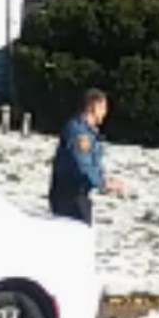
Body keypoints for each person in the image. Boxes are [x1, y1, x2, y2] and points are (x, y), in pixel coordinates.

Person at [48, 88, 123, 225]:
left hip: (79, 194)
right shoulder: (78, 132)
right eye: (103, 108)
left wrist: (102, 179)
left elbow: (93, 161)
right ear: (92, 107)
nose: (105, 113)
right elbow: (82, 163)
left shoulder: (90, 132)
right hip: (68, 194)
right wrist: (103, 183)